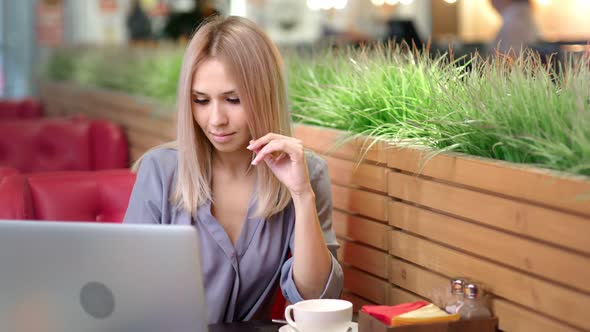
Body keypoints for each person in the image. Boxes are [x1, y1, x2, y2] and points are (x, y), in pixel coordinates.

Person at [123, 16, 343, 324]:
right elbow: (125, 290)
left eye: (233, 99)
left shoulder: (306, 173)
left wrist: (301, 195)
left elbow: (317, 298)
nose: (216, 119)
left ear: (265, 95)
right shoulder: (160, 170)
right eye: (201, 101)